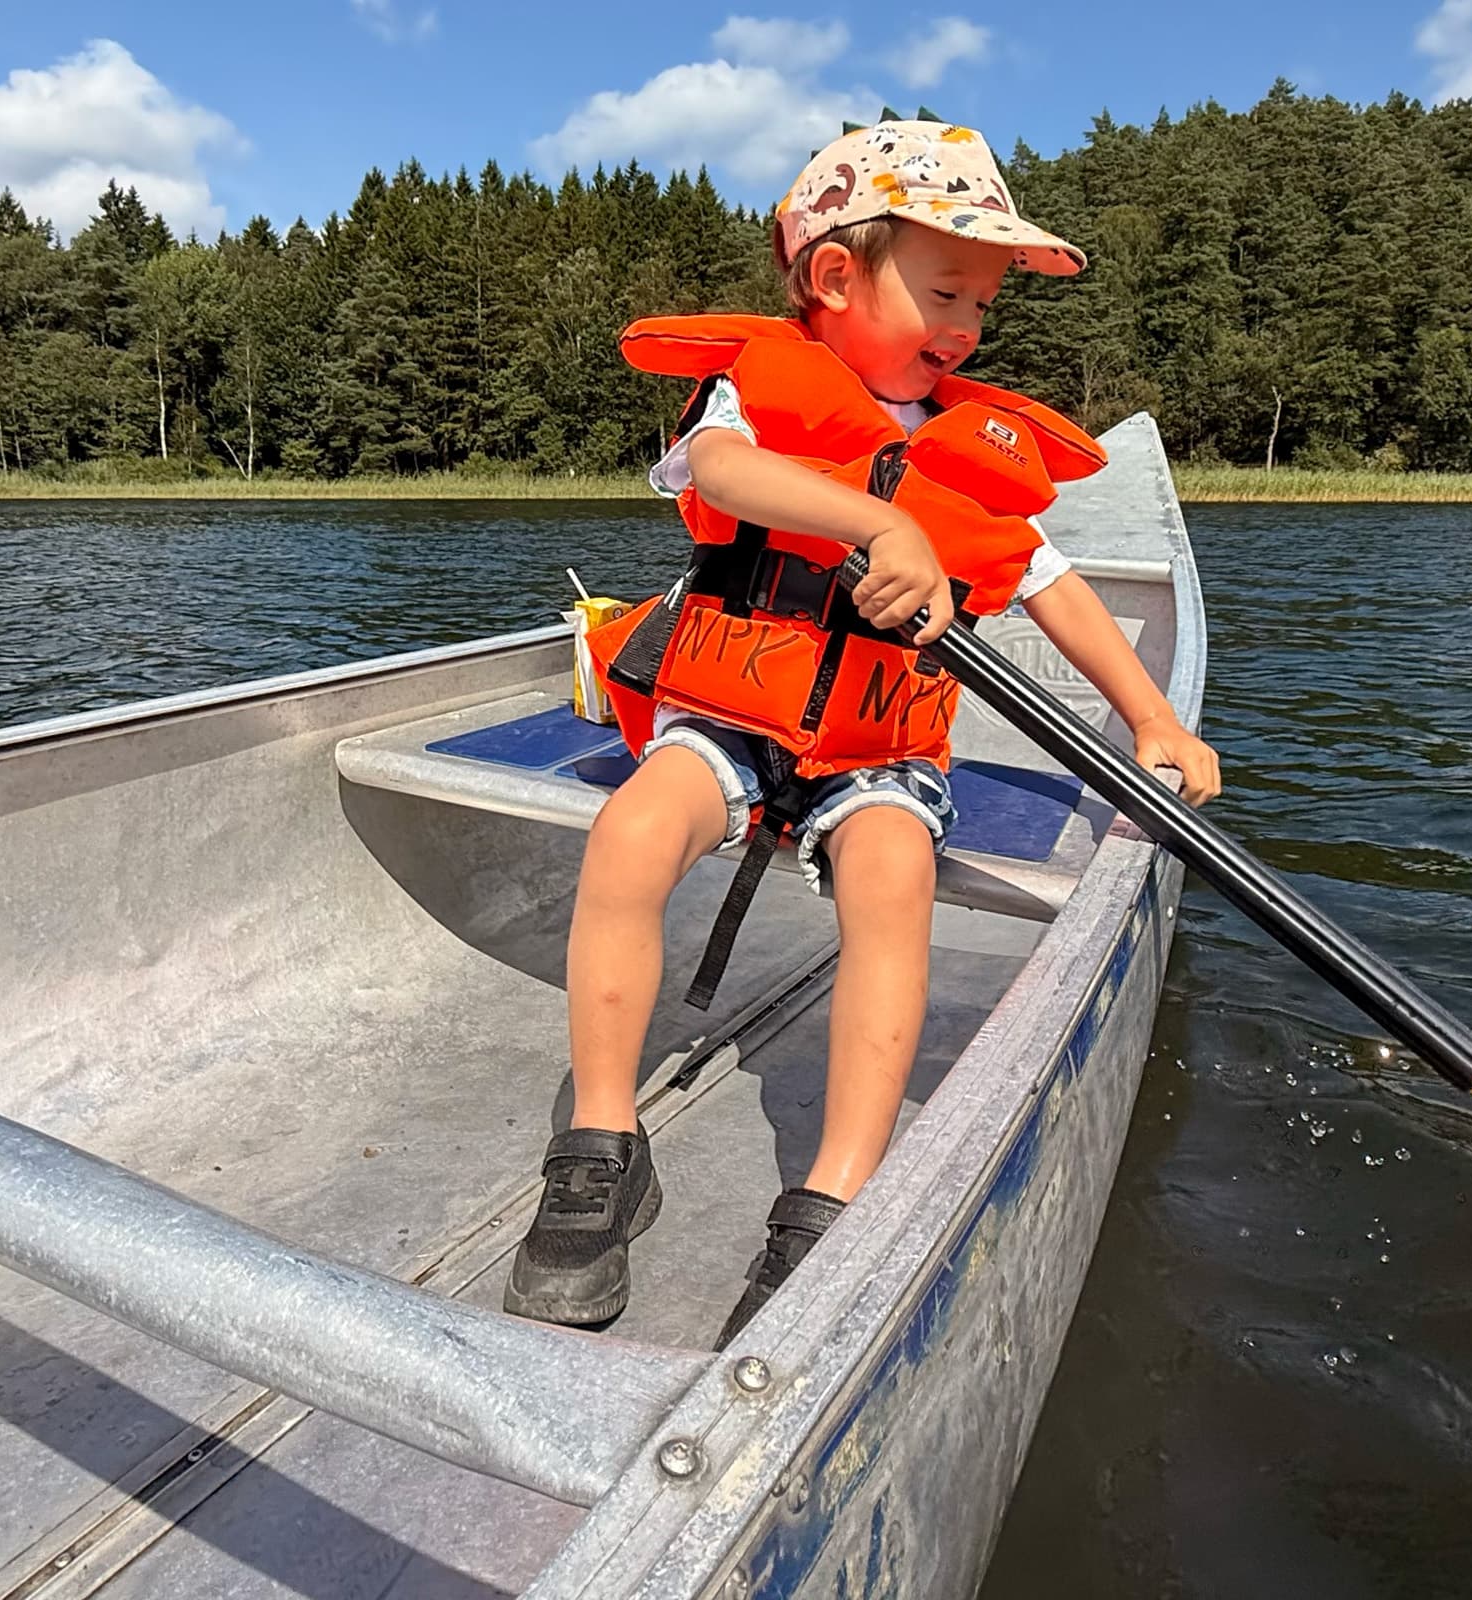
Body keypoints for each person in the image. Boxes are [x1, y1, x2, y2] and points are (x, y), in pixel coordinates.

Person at [503, 120, 1219, 1341]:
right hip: (730, 716)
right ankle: (604, 1143)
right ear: (835, 277)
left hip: (882, 744)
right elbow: (723, 476)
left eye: (983, 305)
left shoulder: (975, 453)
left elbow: (1057, 592)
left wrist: (1153, 715)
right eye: (946, 291)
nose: (966, 326)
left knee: (892, 878)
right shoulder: (758, 387)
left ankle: (835, 1189)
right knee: (630, 834)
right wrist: (884, 528)